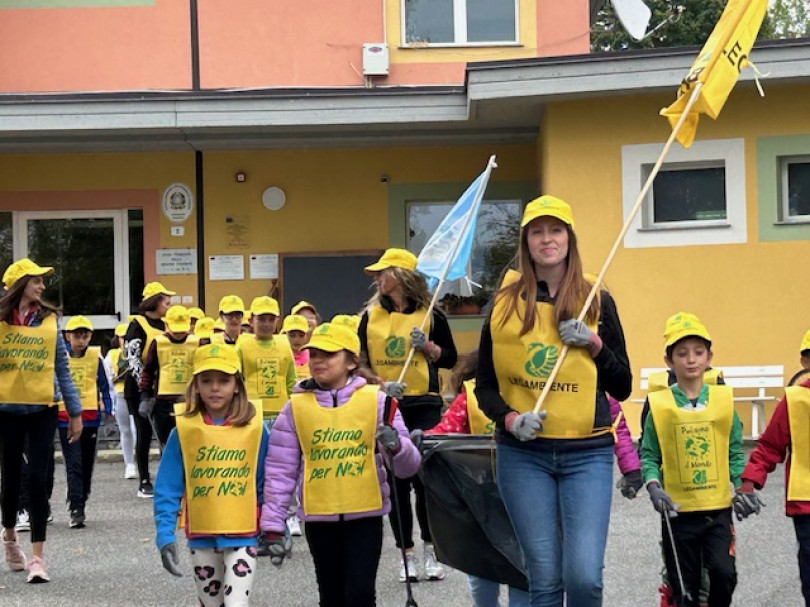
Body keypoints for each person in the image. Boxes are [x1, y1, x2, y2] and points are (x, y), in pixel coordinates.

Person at [475, 196, 632, 606]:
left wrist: (595, 344)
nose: (547, 239)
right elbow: (485, 387)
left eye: (556, 230)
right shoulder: (502, 304)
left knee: (584, 578)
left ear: (570, 238)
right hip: (523, 455)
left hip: (588, 452)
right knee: (542, 581)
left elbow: (623, 385)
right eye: (537, 232)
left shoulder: (597, 298)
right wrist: (509, 420)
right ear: (526, 242)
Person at [261, 322, 420, 607]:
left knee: (360, 596)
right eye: (314, 355)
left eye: (329, 354)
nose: (318, 361)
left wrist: (395, 445)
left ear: (351, 362)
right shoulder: (295, 407)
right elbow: (279, 470)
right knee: (331, 597)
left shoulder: (378, 402)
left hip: (365, 516)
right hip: (319, 518)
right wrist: (273, 524)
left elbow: (408, 468)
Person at [359, 247, 458, 582]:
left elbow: (450, 358)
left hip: (425, 404)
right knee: (397, 483)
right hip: (389, 404)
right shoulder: (370, 317)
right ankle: (406, 556)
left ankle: (433, 551)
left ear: (401, 276)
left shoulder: (432, 314)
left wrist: (429, 348)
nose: (377, 279)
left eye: (382, 273)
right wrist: (379, 384)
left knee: (425, 481)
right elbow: (357, 365)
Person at [641, 312, 745, 607]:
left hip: (717, 510)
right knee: (683, 587)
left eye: (699, 352)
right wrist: (652, 485)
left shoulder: (724, 401)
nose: (691, 360)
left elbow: (734, 449)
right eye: (682, 353)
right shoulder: (659, 405)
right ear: (669, 360)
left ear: (709, 356)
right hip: (678, 513)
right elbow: (649, 453)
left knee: (724, 574)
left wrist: (743, 485)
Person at [154, 343, 268, 607]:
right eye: (206, 380)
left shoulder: (255, 429)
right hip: (202, 536)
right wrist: (165, 535)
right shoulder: (182, 431)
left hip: (244, 535)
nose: (215, 388)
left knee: (236, 604)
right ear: (196, 385)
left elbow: (265, 481)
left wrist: (274, 527)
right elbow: (168, 488)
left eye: (224, 380)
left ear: (237, 384)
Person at [425, 350, 531, 607]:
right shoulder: (471, 398)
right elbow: (442, 434)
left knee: (521, 569)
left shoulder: (535, 394)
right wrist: (415, 439)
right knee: (486, 566)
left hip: (521, 494)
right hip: (486, 498)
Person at [0, 258, 82, 583]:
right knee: (10, 479)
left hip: (43, 409)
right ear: (21, 284)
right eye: (37, 280)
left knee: (37, 478)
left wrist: (74, 412)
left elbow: (61, 368)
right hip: (6, 410)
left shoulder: (49, 320)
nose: (43, 286)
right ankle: (9, 537)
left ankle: (37, 558)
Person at [735, 345, 810, 604]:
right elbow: (771, 445)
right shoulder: (796, 400)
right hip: (807, 503)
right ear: (805, 361)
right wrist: (749, 481)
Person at [60, 315, 113, 529]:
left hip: (90, 417)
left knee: (87, 462)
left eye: (85, 336)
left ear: (90, 337)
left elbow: (103, 385)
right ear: (67, 336)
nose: (80, 340)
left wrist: (108, 409)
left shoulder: (95, 358)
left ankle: (82, 495)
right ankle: (76, 506)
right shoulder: (61, 357)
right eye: (76, 336)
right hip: (65, 418)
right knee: (73, 463)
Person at [124, 281, 174, 498]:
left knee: (166, 432)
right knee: (143, 431)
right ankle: (144, 479)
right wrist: (146, 386)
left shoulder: (166, 325)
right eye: (165, 300)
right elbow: (132, 359)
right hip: (139, 388)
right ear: (154, 302)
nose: (169, 304)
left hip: (163, 387)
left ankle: (169, 475)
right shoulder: (137, 324)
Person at [139, 305, 199, 449]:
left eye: (182, 330)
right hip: (163, 403)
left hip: (189, 402)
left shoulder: (197, 343)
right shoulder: (158, 343)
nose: (179, 334)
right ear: (166, 325)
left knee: (189, 446)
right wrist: (145, 396)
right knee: (166, 446)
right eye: (175, 330)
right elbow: (148, 371)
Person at [236, 296, 296, 425]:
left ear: (278, 321)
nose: (266, 324)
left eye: (271, 319)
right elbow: (236, 382)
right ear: (251, 320)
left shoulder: (285, 346)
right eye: (261, 319)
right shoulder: (242, 347)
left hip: (282, 414)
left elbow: (291, 382)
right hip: (252, 414)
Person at [105, 322, 138, 480]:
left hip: (136, 393)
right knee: (125, 430)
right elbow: (106, 378)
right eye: (122, 337)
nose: (125, 340)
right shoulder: (112, 354)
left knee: (136, 429)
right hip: (120, 393)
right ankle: (129, 464)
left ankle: (138, 463)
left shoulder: (137, 352)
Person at [281, 314, 311, 381]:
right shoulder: (278, 357)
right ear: (284, 334)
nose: (296, 339)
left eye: (301, 335)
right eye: (292, 335)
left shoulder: (312, 357)